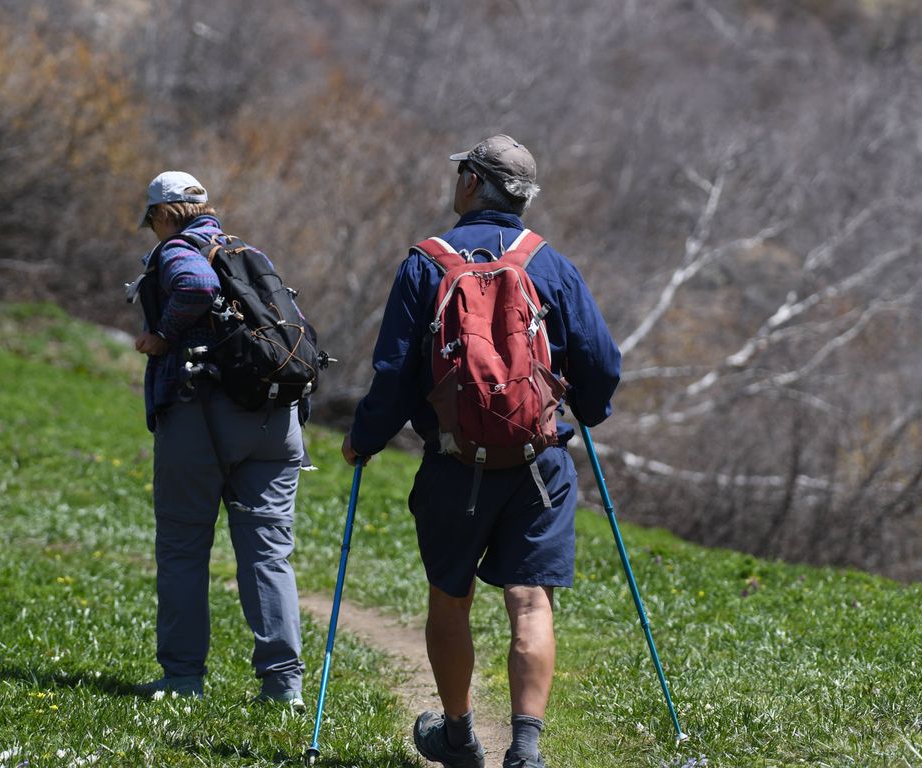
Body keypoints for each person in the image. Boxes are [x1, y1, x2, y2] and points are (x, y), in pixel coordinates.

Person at [341, 136, 621, 768]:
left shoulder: (426, 262)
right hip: (538, 466)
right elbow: (601, 361)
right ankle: (525, 748)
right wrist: (590, 409)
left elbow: (393, 372)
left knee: (451, 595)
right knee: (530, 598)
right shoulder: (547, 263)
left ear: (471, 183)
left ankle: (460, 736)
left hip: (453, 463)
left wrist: (364, 440)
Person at [129, 170, 306, 709]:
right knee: (268, 553)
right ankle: (283, 687)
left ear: (161, 215)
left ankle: (182, 679)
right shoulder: (249, 252)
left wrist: (163, 336)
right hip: (276, 420)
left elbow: (196, 287)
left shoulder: (178, 252)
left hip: (201, 417)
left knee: (183, 546)